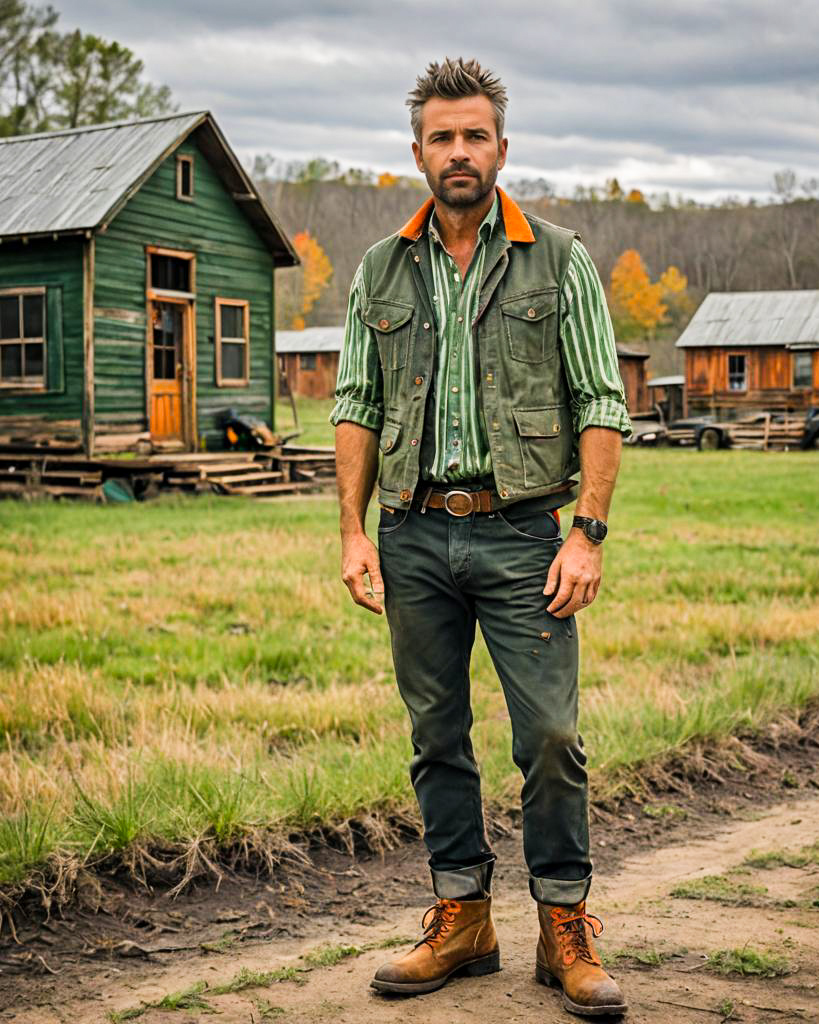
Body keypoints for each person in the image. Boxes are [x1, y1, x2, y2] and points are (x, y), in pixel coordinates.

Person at [330, 57, 630, 1018]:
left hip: (523, 535)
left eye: (474, 136)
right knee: (436, 735)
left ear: (502, 147)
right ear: (417, 151)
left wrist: (586, 535)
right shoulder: (381, 268)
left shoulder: (559, 258)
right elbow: (356, 403)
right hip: (412, 534)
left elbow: (601, 400)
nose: (458, 151)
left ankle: (564, 926)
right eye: (441, 137)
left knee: (550, 736)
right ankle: (462, 918)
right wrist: (353, 533)